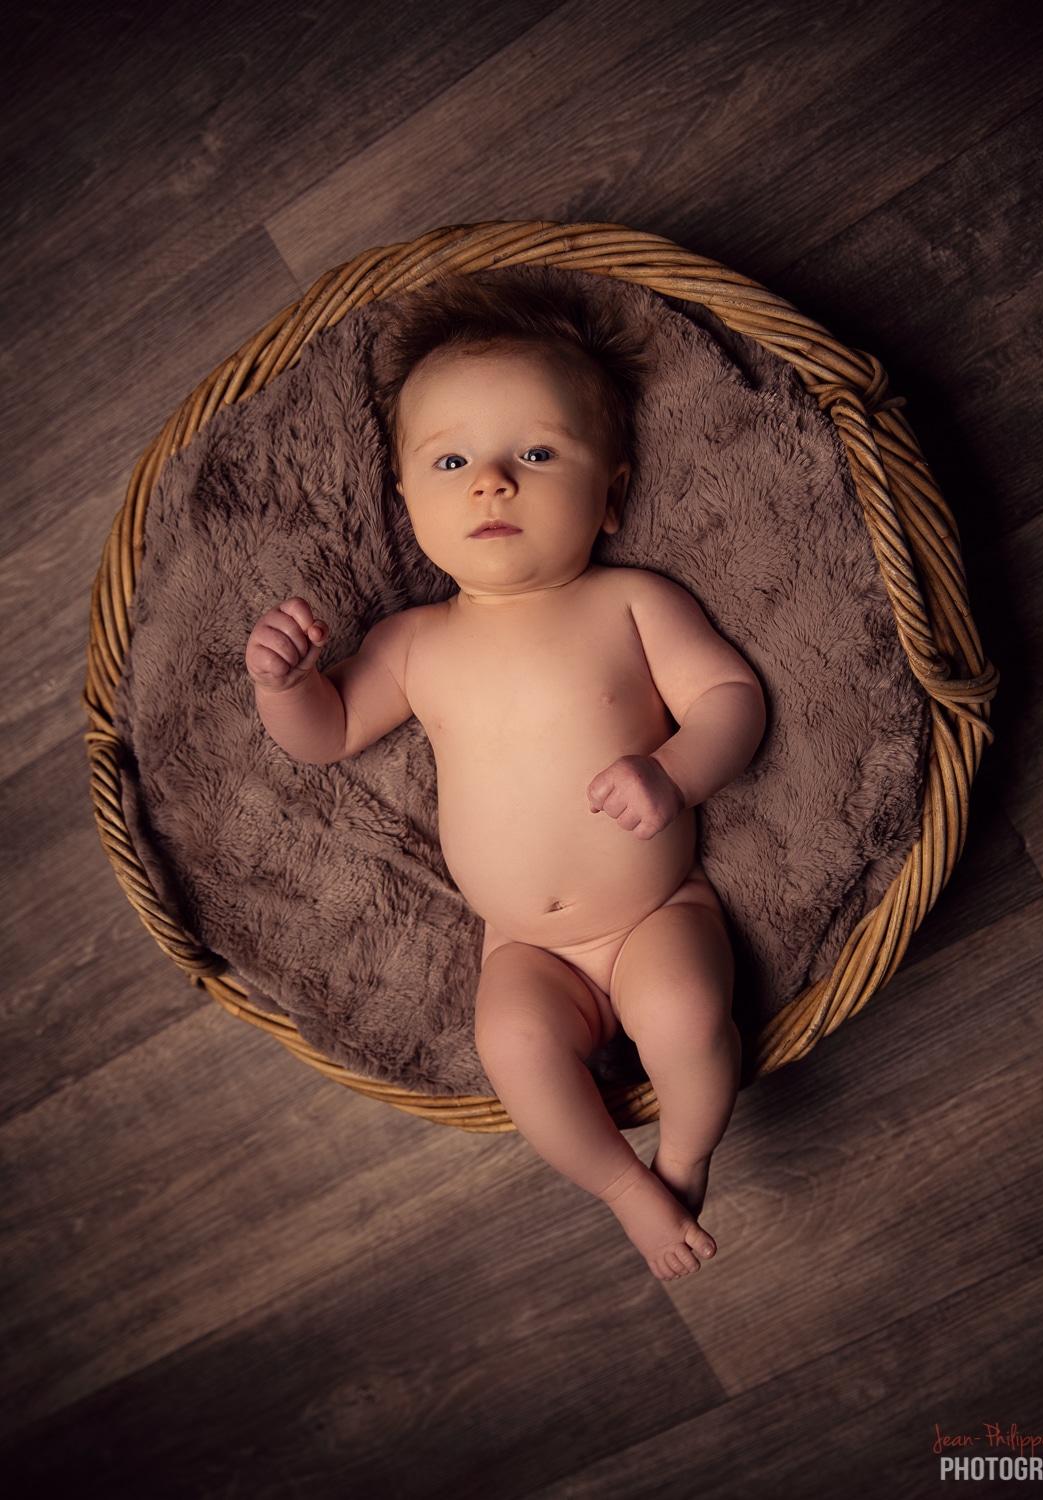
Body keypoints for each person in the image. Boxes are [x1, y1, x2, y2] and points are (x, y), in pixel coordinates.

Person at [245, 279, 766, 1279]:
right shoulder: (414, 643)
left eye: (534, 453)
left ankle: (688, 1156)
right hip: (525, 945)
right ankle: (624, 1187)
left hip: (655, 908)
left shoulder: (630, 602)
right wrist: (284, 683)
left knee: (689, 1018)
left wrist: (675, 774)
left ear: (611, 491)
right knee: (515, 1049)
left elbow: (732, 698)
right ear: (406, 500)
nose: (490, 483)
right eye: (451, 461)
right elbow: (327, 734)